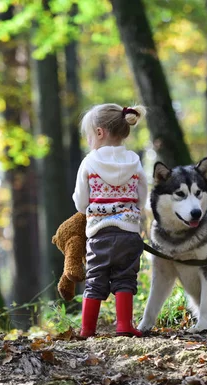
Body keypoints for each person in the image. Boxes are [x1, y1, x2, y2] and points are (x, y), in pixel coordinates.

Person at [72, 103, 148, 338]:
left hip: (99, 233)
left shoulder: (89, 162)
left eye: (88, 136)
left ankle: (87, 329)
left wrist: (91, 207)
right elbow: (142, 195)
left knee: (95, 279)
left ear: (99, 132)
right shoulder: (134, 161)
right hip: (128, 232)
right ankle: (124, 325)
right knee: (125, 278)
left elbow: (80, 200)